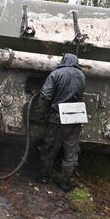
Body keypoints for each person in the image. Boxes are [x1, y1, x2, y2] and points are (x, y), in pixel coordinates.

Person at [36, 53, 86, 192]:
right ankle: (65, 183)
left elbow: (45, 96)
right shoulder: (82, 75)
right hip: (76, 116)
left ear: (63, 61)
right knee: (71, 150)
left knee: (50, 147)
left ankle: (44, 177)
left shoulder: (56, 74)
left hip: (58, 117)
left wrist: (41, 115)